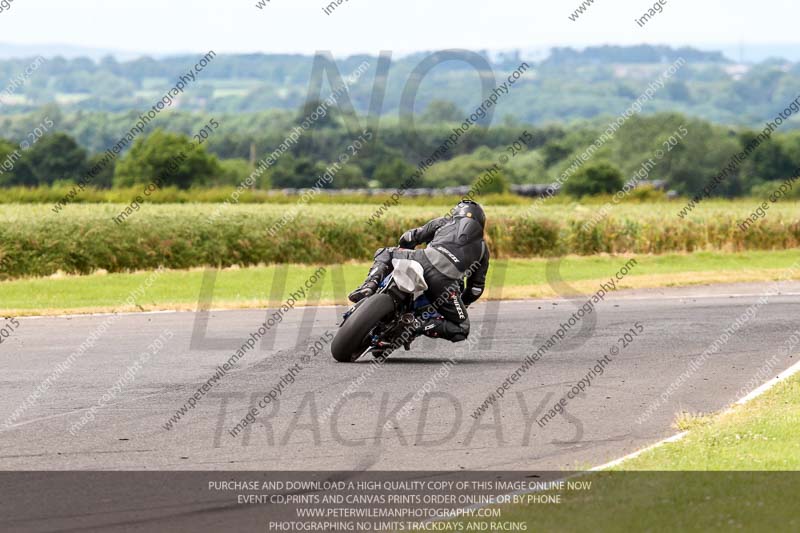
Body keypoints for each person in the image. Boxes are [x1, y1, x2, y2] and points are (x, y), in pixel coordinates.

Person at [348, 200, 490, 342]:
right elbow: (476, 289)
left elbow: (409, 237)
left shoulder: (444, 221)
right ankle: (415, 324)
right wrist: (461, 304)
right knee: (461, 329)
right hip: (444, 283)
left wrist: (406, 248)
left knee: (385, 252)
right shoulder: (483, 249)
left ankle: (369, 285)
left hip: (420, 258)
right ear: (481, 221)